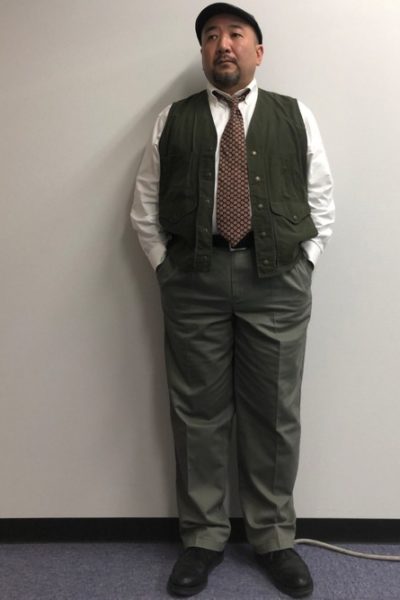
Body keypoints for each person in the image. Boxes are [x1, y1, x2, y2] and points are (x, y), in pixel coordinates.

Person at [131, 3, 334, 597]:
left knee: (274, 412)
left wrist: (306, 263)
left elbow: (321, 197)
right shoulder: (173, 119)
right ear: (203, 53)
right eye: (211, 36)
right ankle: (202, 538)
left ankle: (274, 537)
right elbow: (145, 202)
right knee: (198, 412)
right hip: (193, 279)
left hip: (278, 282)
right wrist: (166, 268)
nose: (223, 44)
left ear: (257, 51)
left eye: (236, 34)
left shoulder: (295, 115)